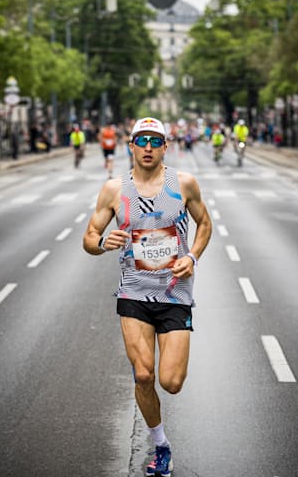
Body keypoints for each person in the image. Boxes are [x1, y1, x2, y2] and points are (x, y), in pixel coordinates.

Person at [83, 116, 212, 477]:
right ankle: (161, 446)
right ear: (131, 145)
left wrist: (192, 257)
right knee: (143, 375)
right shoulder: (113, 190)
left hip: (174, 294)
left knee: (171, 382)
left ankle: (161, 434)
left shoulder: (184, 184)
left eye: (156, 141)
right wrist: (102, 243)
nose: (149, 148)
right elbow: (90, 236)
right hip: (133, 293)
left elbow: (206, 224)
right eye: (142, 141)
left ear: (165, 147)